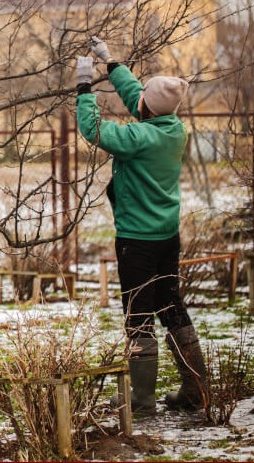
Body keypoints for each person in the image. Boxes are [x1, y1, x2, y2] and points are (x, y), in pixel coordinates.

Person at [75, 36, 207, 415]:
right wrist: (110, 62)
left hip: (137, 241)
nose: (140, 103)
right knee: (171, 306)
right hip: (167, 236)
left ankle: (141, 400)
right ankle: (195, 391)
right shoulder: (172, 129)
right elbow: (140, 97)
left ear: (149, 108)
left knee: (137, 315)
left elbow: (95, 130)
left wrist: (84, 86)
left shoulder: (140, 138)